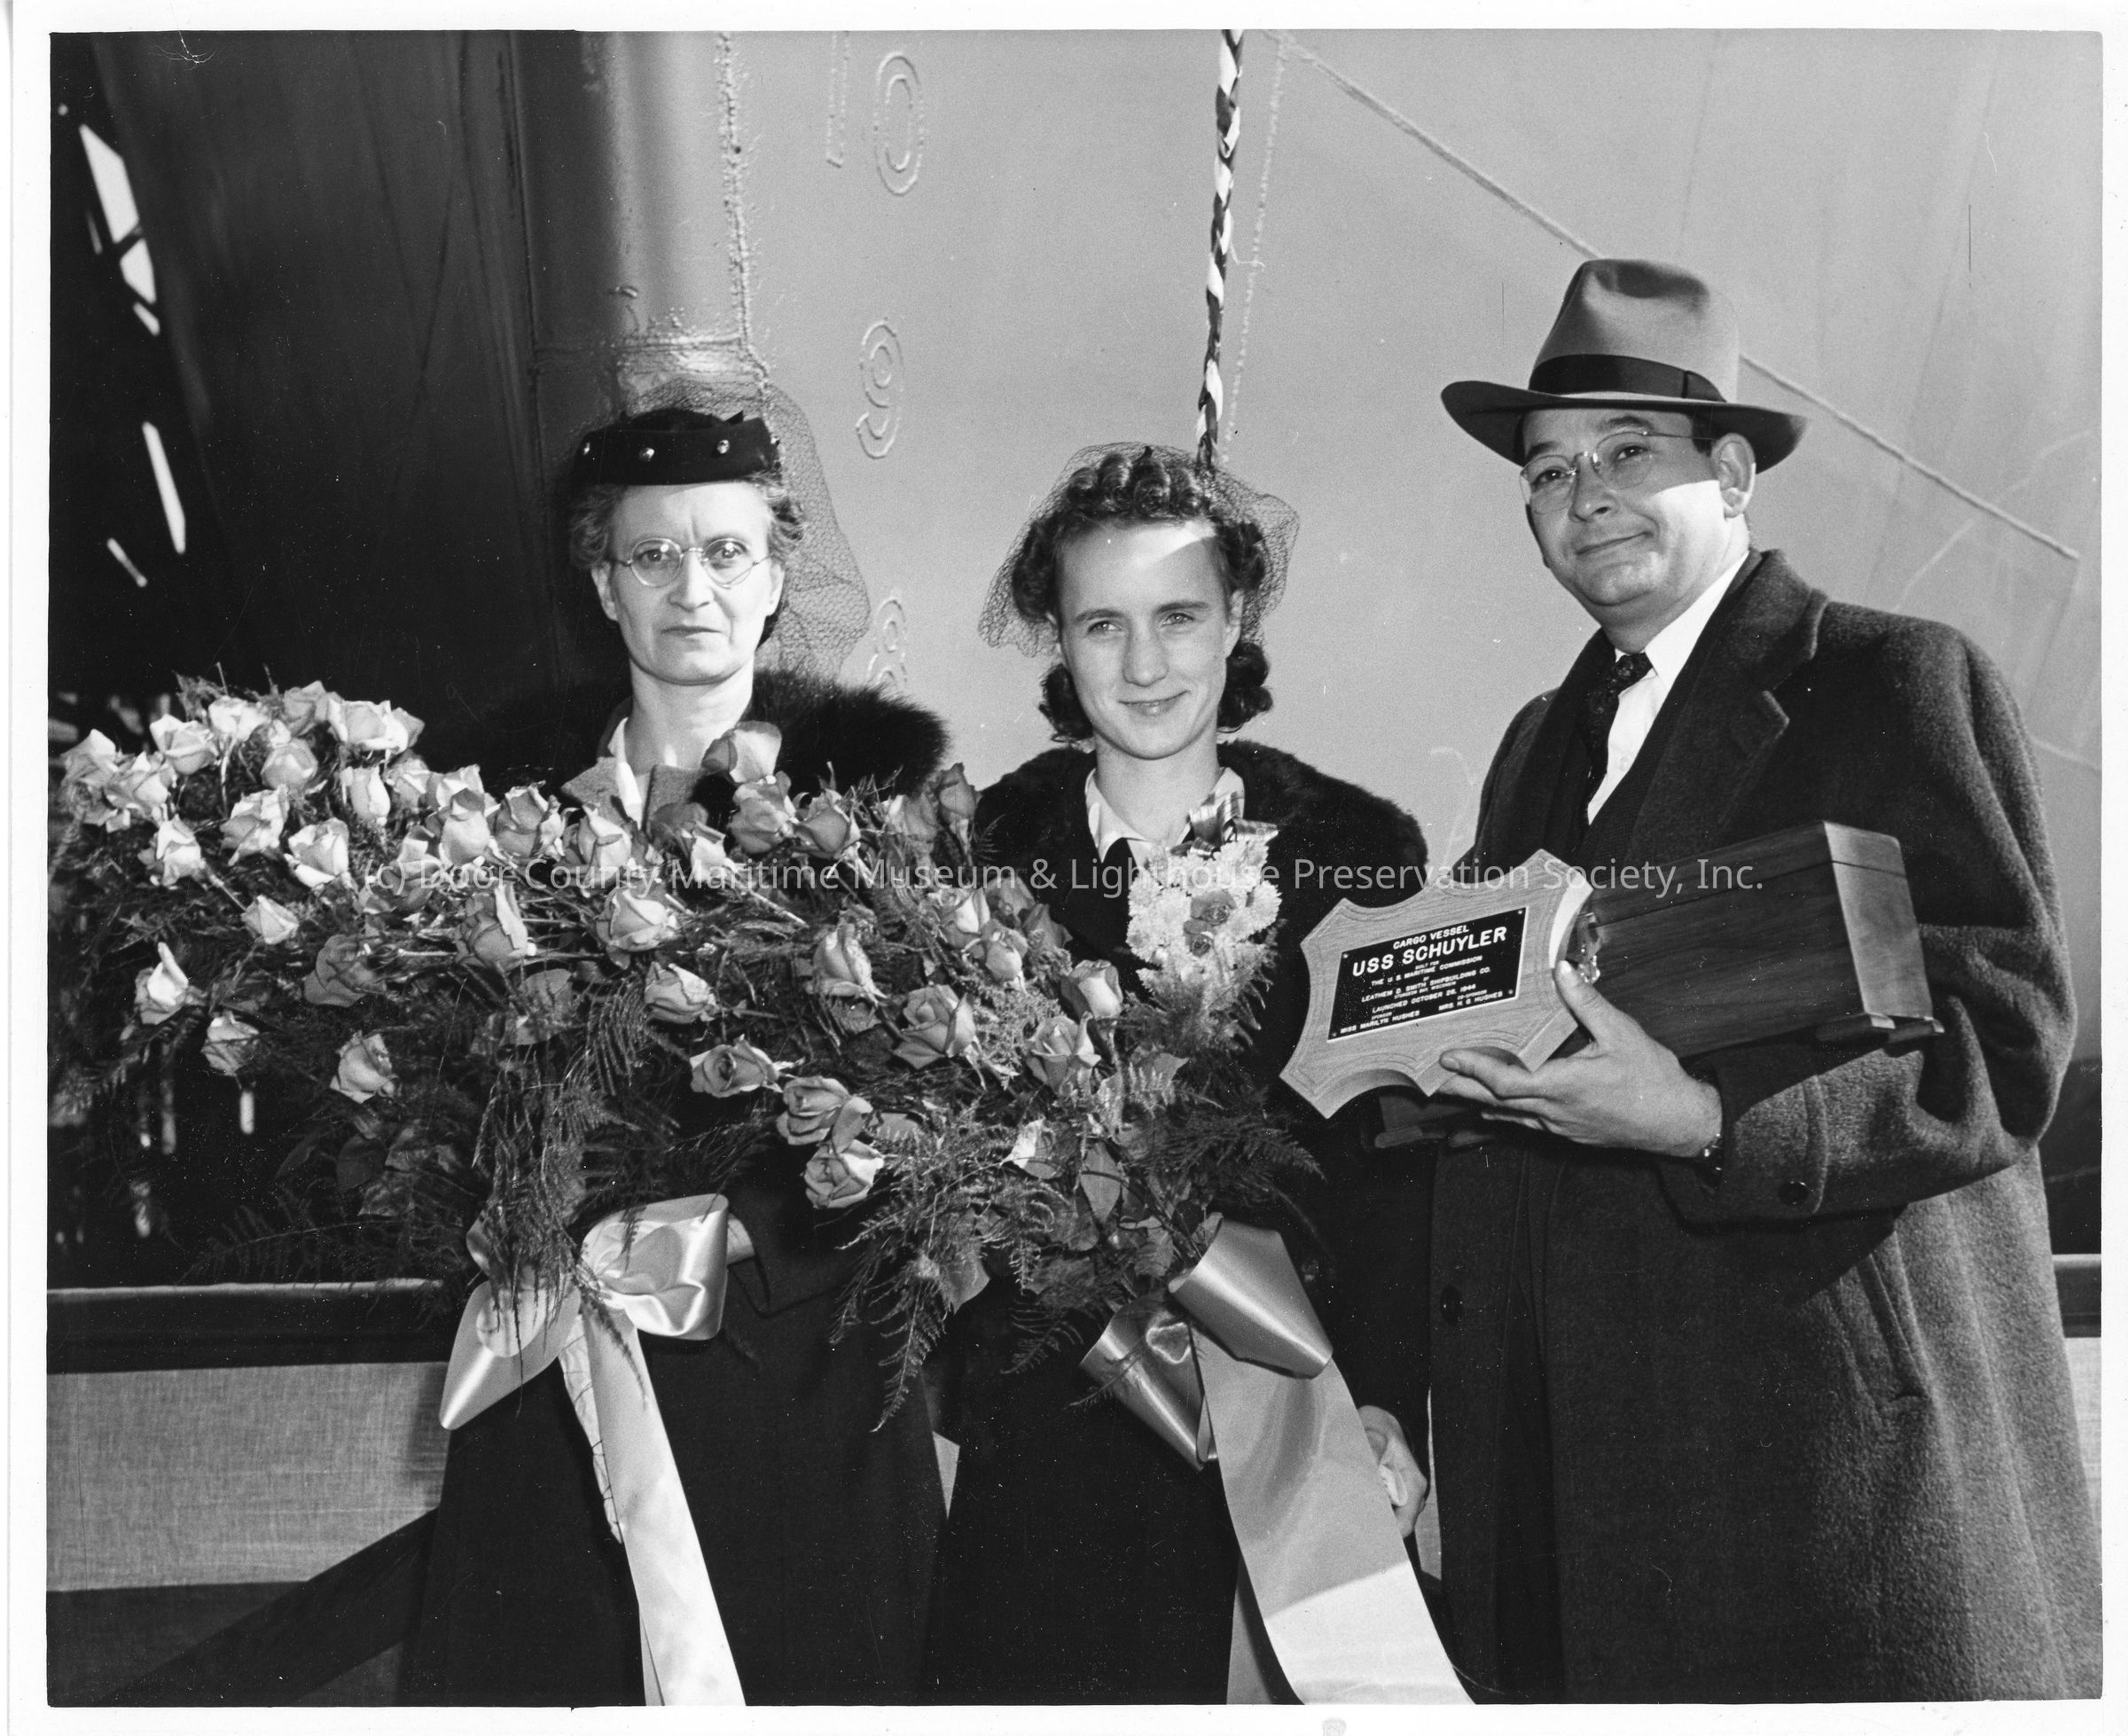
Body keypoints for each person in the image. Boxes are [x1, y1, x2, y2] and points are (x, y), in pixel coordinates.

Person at [1424, 258, 2101, 1700]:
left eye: (1627, 452)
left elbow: (2004, 1039)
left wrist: (1710, 1118)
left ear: (1732, 474)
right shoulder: (1534, 746)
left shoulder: (1891, 681)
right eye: (1548, 471)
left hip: (1820, 1486)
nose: (1583, 495)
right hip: (1577, 1509)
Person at [402, 382, 951, 1704]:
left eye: (726, 552)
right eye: (651, 554)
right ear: (604, 584)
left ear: (776, 579)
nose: (691, 588)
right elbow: (434, 1070)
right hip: (559, 1371)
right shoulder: (495, 803)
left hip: (793, 1366)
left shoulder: (874, 794)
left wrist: (741, 1231)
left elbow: (932, 1089)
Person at [923, 443, 1436, 1702]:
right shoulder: (982, 856)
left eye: (1179, 617)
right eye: (1103, 624)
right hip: (1053, 1425)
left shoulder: (1360, 853)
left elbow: (1393, 1169)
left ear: (1237, 617)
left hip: (1298, 1417)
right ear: (1057, 636)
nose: (1144, 665)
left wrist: (1385, 1402)